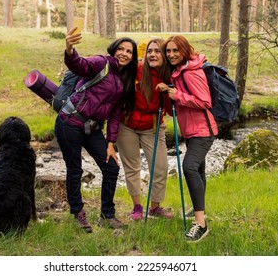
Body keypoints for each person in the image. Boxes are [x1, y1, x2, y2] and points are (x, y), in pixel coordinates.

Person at [55, 27, 138, 233]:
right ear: (114, 49)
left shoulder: (123, 80)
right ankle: (78, 213)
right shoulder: (102, 63)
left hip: (92, 128)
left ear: (132, 57)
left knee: (111, 168)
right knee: (75, 169)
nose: (124, 53)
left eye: (129, 51)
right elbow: (78, 64)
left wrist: (111, 143)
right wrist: (69, 48)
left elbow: (116, 115)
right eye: (121, 49)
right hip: (69, 122)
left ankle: (107, 215)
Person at [157, 35, 218, 242]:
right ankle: (198, 207)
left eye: (176, 50)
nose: (171, 54)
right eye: (169, 51)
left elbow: (205, 101)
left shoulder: (192, 72)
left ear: (184, 51)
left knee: (190, 167)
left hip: (203, 130)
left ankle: (201, 224)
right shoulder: (179, 72)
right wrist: (169, 90)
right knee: (198, 169)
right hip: (192, 130)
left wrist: (178, 96)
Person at [116, 38, 174, 221]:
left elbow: (172, 109)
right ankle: (137, 207)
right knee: (132, 167)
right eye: (150, 51)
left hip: (153, 125)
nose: (153, 55)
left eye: (157, 51)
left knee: (160, 167)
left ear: (164, 55)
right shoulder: (137, 69)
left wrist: (168, 92)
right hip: (127, 124)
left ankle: (155, 207)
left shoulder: (170, 75)